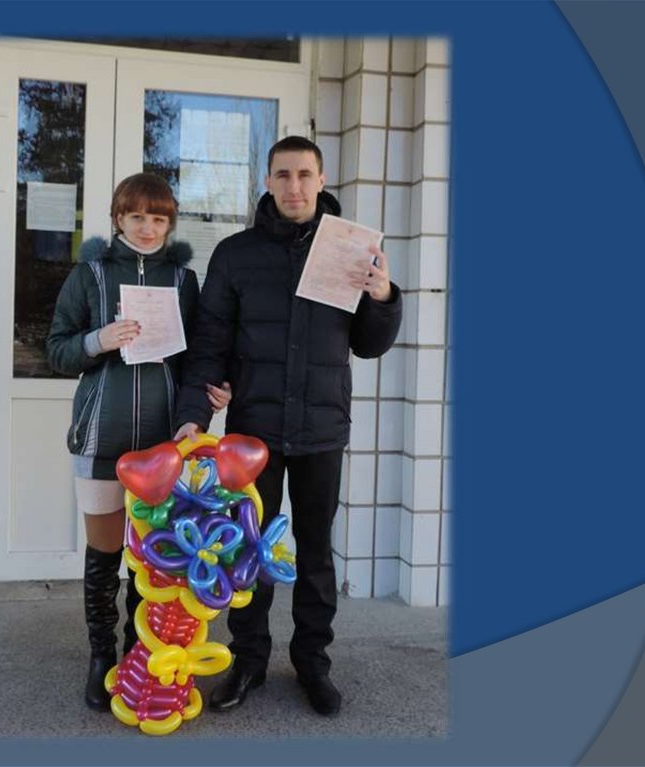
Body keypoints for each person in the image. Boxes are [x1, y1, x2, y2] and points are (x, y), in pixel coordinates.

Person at [173, 136, 402, 716]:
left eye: (304, 174)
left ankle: (312, 663)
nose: (294, 186)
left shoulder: (351, 251)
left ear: (321, 180)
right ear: (267, 181)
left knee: (316, 552)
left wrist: (382, 297)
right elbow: (209, 342)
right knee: (250, 550)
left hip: (322, 428)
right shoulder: (236, 254)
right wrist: (193, 417)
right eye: (283, 175)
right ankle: (248, 660)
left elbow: (369, 344)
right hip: (253, 432)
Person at [46, 173, 231, 711]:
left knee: (152, 561)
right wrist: (97, 340)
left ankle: (138, 651)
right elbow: (56, 349)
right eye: (136, 217)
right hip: (101, 439)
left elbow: (200, 358)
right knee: (105, 554)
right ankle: (101, 656)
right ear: (118, 218)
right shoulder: (91, 274)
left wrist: (214, 393)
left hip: (163, 447)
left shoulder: (184, 280)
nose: (147, 228)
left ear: (169, 223)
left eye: (157, 218)